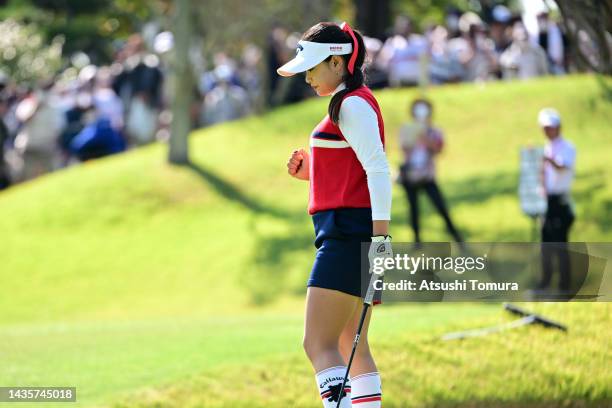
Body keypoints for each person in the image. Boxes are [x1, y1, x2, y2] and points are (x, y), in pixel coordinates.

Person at [278, 22, 392, 408]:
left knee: (318, 343)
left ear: (339, 64)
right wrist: (312, 170)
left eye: (313, 67)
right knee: (350, 345)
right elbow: (354, 169)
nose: (307, 77)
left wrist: (380, 239)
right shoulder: (351, 102)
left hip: (347, 237)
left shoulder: (351, 104)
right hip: (351, 234)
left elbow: (377, 169)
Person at [398, 98, 463, 244]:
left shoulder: (434, 131)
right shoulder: (407, 128)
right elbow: (404, 148)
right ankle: (417, 242)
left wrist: (425, 137)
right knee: (413, 210)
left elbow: (439, 149)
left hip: (427, 176)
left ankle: (456, 237)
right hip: (410, 176)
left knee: (441, 207)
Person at [537, 108, 576, 293]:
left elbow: (562, 167)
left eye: (550, 127)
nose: (547, 131)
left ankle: (564, 286)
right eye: (545, 128)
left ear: (558, 127)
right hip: (549, 202)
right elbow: (546, 173)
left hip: (561, 202)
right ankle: (545, 282)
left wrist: (548, 160)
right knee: (545, 245)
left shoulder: (567, 147)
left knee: (560, 245)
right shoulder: (548, 146)